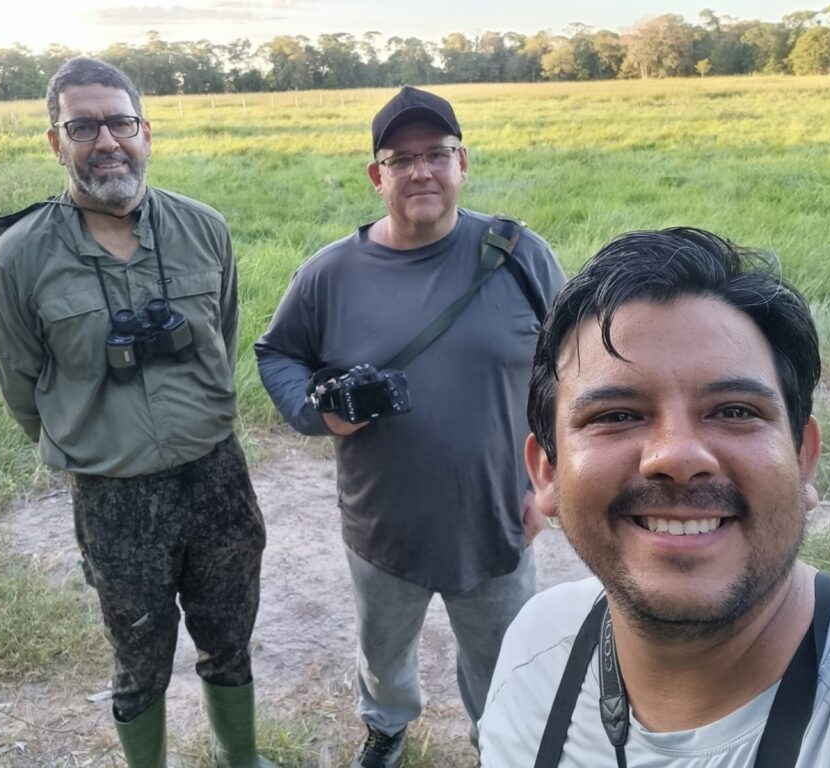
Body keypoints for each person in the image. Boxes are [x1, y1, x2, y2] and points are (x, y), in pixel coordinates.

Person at [479, 227, 830, 766]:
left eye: (735, 410)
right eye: (616, 416)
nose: (676, 456)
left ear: (803, 457)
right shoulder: (537, 649)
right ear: (547, 473)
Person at [254, 86, 566, 767]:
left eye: (437, 154)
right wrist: (318, 410)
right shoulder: (330, 273)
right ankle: (387, 726)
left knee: (503, 661)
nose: (420, 171)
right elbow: (276, 353)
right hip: (381, 527)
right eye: (401, 159)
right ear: (378, 176)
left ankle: (501, 744)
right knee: (383, 652)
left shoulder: (519, 255)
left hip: (498, 519)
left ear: (462, 164)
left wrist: (554, 485)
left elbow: (572, 371)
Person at [0, 57, 278, 768]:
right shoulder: (21, 258)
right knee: (139, 653)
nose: (106, 141)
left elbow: (224, 335)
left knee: (229, 634)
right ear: (56, 141)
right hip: (113, 496)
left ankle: (242, 758)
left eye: (119, 122)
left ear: (145, 131)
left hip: (217, 477)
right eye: (82, 126)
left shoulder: (204, 229)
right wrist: (98, 446)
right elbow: (21, 388)